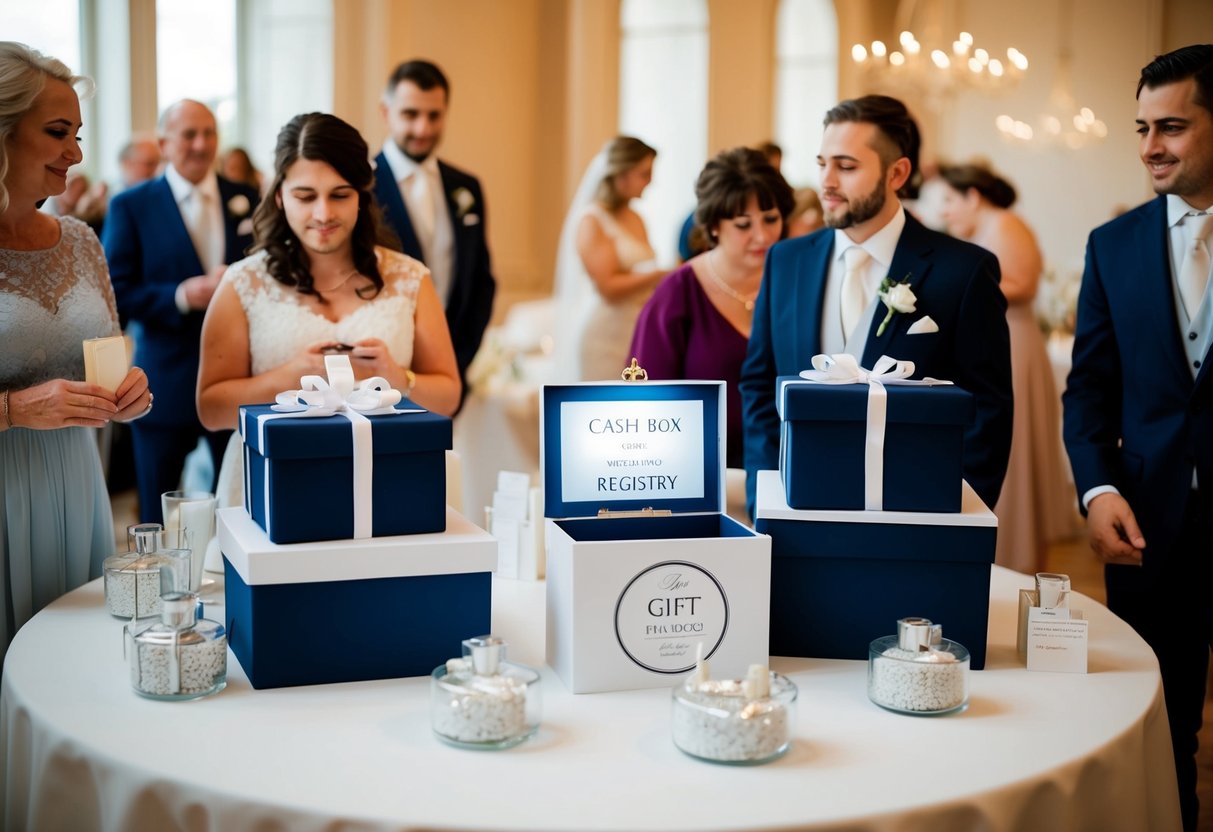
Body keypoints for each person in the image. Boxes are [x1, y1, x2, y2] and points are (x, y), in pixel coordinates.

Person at [1062, 44, 1213, 832]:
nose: (1150, 145)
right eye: (1142, 127)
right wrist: (1098, 487)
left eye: (1173, 127)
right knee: (1166, 725)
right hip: (1147, 526)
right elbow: (1086, 387)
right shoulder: (1111, 245)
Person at [739, 95, 1013, 516]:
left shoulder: (963, 271)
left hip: (915, 512)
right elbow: (760, 386)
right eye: (822, 163)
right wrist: (767, 495)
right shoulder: (786, 261)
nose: (826, 182)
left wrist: (953, 511)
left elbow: (987, 409)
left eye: (846, 167)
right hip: (793, 512)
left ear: (897, 172)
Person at [198, 112, 461, 507]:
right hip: (274, 484)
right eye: (306, 196)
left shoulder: (409, 278)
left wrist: (398, 377)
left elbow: (449, 395)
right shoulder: (243, 283)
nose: (323, 214)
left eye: (340, 195)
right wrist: (289, 376)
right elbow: (211, 409)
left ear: (361, 197)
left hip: (388, 481)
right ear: (279, 196)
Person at [0, 42, 152, 659]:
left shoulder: (82, 240)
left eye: (79, 135)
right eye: (58, 132)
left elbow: (108, 358)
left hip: (78, 482)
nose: (77, 154)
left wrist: (129, 394)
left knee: (75, 663)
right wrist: (13, 410)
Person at [104, 99, 259, 524]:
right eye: (189, 134)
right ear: (164, 143)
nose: (200, 144)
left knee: (238, 506)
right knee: (158, 513)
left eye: (209, 133)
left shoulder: (245, 198)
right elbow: (117, 292)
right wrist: (181, 296)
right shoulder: (131, 205)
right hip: (163, 382)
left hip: (233, 380)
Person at [939, 163, 1077, 574]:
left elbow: (1025, 283)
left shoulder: (1006, 225)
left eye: (949, 200)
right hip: (999, 336)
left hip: (1012, 340)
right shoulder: (987, 230)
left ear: (973, 197)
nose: (945, 211)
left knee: (1010, 444)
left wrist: (958, 288)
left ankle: (1016, 555)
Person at [630, 147, 794, 472]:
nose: (762, 236)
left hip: (788, 468)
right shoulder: (678, 292)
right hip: (699, 471)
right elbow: (645, 399)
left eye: (771, 219)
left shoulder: (797, 284)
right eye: (743, 224)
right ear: (715, 225)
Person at [373, 60, 495, 402]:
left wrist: (458, 361)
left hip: (451, 368)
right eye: (410, 114)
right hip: (383, 375)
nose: (423, 128)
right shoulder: (361, 187)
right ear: (386, 112)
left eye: (434, 115)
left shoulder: (466, 187)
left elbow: (481, 280)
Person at [553, 135, 665, 381]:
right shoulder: (592, 221)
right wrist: (659, 275)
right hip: (604, 336)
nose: (651, 181)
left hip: (636, 331)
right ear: (621, 174)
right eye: (644, 173)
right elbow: (608, 288)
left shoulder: (636, 218)